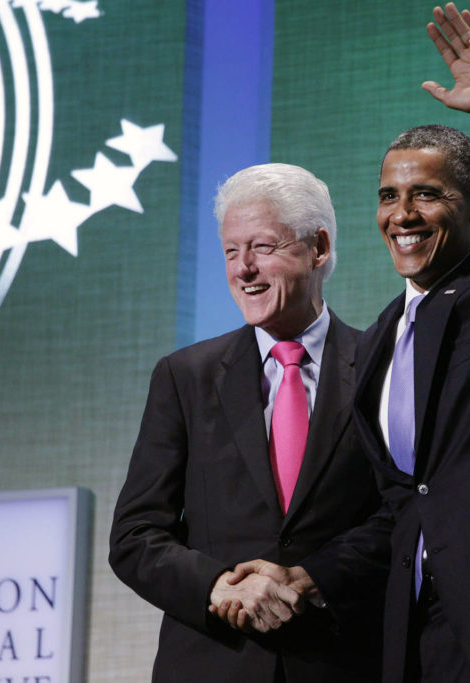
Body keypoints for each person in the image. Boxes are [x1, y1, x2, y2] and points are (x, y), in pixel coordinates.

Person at [230, 4, 470, 681]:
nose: (402, 215)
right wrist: (306, 572)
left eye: (427, 194)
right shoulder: (382, 336)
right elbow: (404, 505)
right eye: (388, 195)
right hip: (420, 641)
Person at [108, 163, 386, 682]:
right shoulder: (184, 377)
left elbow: (405, 513)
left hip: (344, 662)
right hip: (215, 662)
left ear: (318, 248)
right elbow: (136, 535)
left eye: (262, 247)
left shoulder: (382, 364)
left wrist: (314, 578)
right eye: (231, 252)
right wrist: (219, 587)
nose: (243, 269)